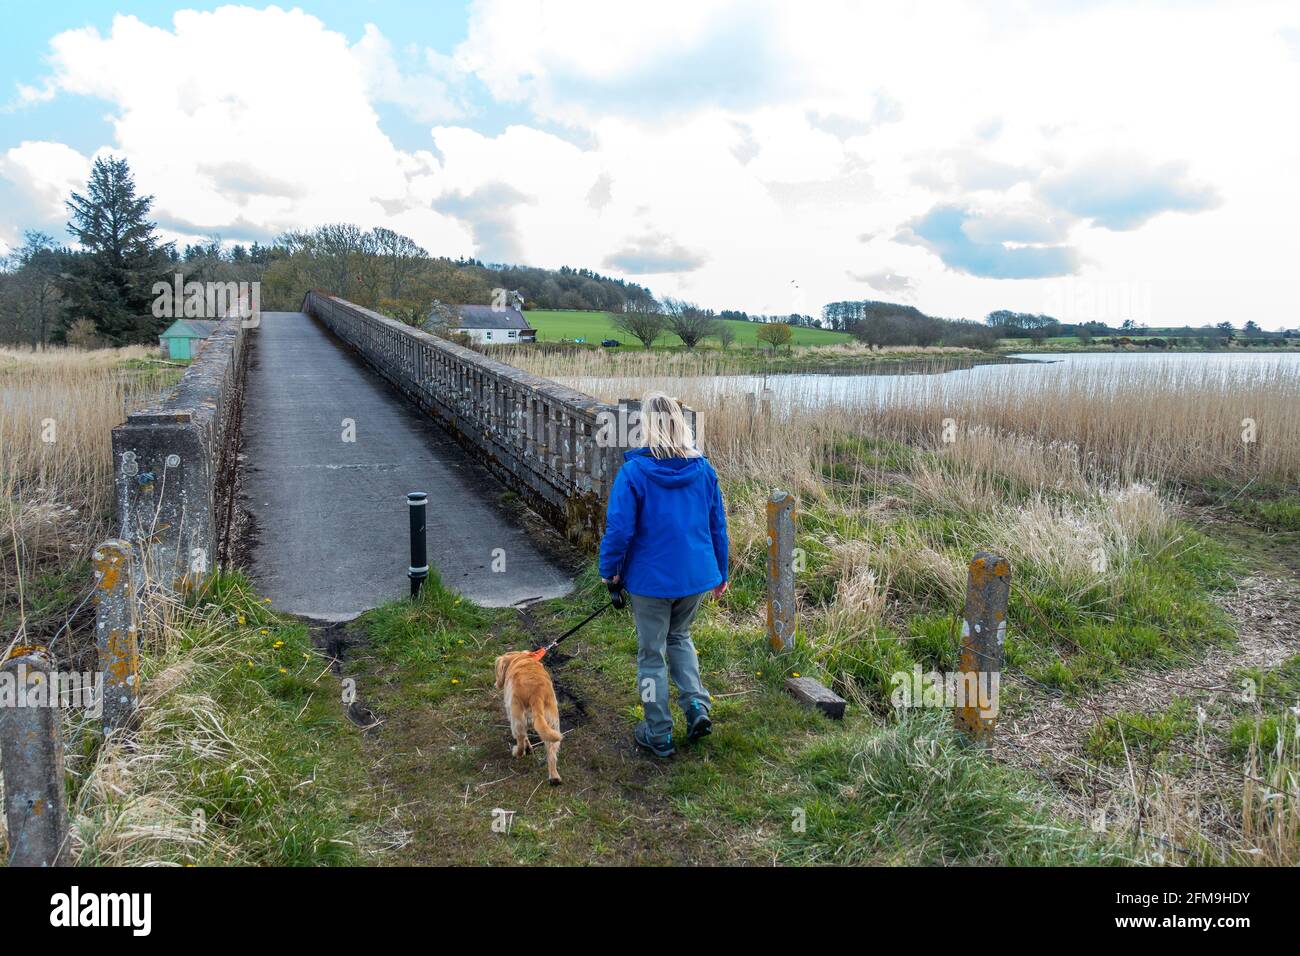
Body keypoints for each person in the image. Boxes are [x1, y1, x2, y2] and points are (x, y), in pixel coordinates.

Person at [599, 392, 729, 757]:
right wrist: (722, 572)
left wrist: (609, 570)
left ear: (648, 427)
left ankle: (658, 732)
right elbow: (718, 526)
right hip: (694, 576)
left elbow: (620, 530)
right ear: (680, 424)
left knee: (651, 653)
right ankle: (696, 707)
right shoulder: (703, 470)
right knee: (680, 637)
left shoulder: (634, 473)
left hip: (651, 581)